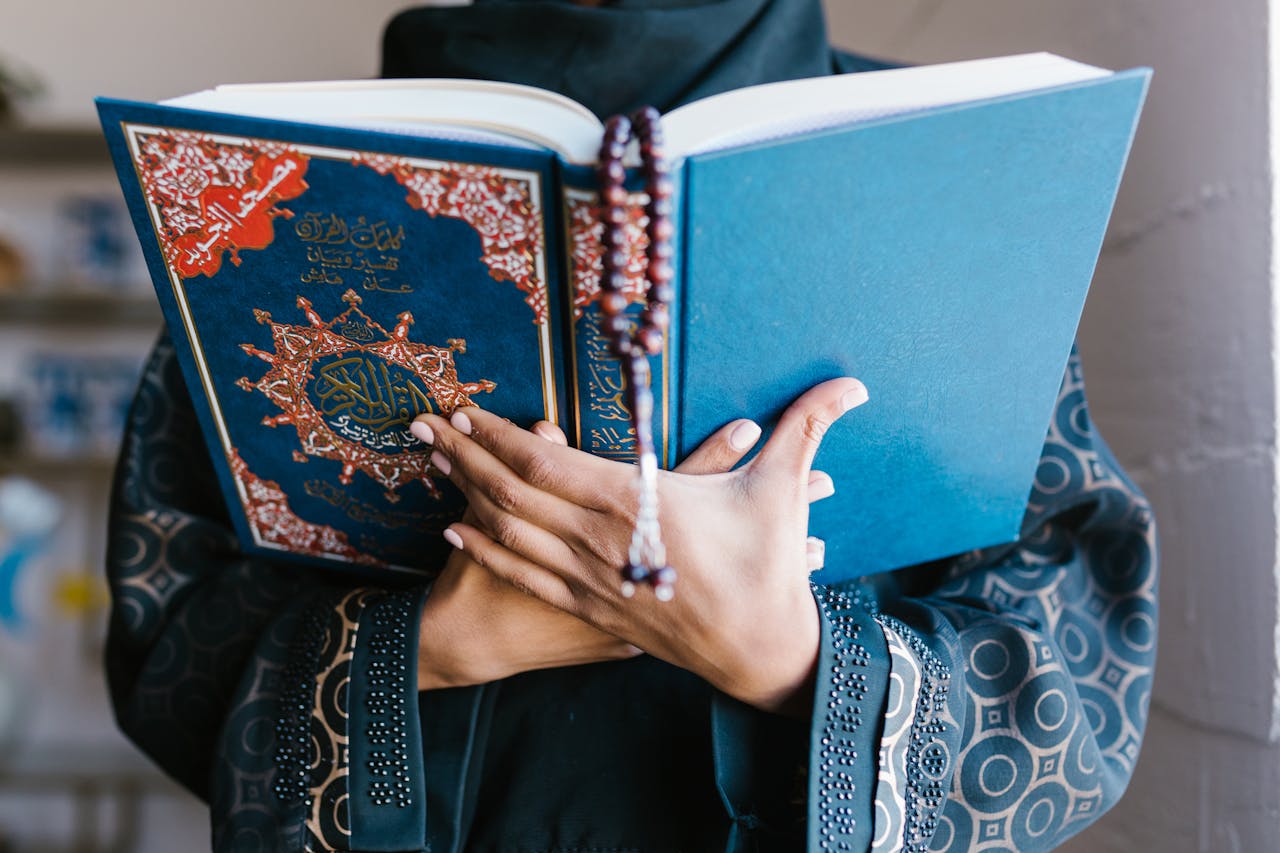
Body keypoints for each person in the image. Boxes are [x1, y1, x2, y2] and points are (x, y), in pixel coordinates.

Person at [104, 1, 1158, 850]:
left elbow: (1069, 630)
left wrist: (785, 657)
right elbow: (171, 607)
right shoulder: (286, 174)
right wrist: (426, 647)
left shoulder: (934, 162)